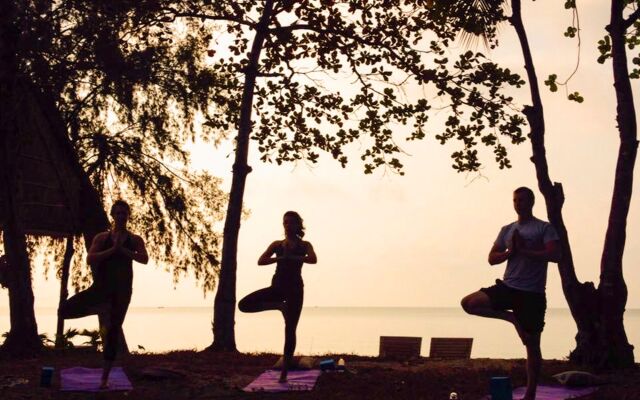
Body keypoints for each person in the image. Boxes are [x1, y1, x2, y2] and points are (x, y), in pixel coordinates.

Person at [461, 187, 561, 400]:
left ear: (532, 202)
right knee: (469, 303)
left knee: (532, 345)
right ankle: (510, 317)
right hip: (508, 287)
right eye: (515, 200)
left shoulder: (544, 228)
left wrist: (525, 251)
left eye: (522, 200)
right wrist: (510, 252)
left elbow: (555, 255)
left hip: (532, 294)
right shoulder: (507, 229)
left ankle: (530, 394)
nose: (518, 204)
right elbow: (491, 258)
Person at [59, 200, 148, 389]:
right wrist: (112, 250)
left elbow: (144, 259)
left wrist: (122, 250)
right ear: (112, 215)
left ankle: (104, 379)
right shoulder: (101, 238)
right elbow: (90, 258)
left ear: (128, 216)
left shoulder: (134, 240)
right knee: (64, 310)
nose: (121, 217)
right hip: (101, 288)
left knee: (113, 334)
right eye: (118, 213)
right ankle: (99, 308)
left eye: (124, 213)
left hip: (122, 292)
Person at [239, 211, 317, 383]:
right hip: (277, 288)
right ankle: (278, 306)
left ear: (298, 225)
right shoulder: (277, 245)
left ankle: (284, 373)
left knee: (290, 329)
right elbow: (261, 260)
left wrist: (295, 257)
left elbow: (313, 259)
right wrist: (279, 258)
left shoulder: (305, 245)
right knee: (243, 305)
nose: (287, 225)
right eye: (285, 222)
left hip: (295, 290)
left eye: (290, 222)